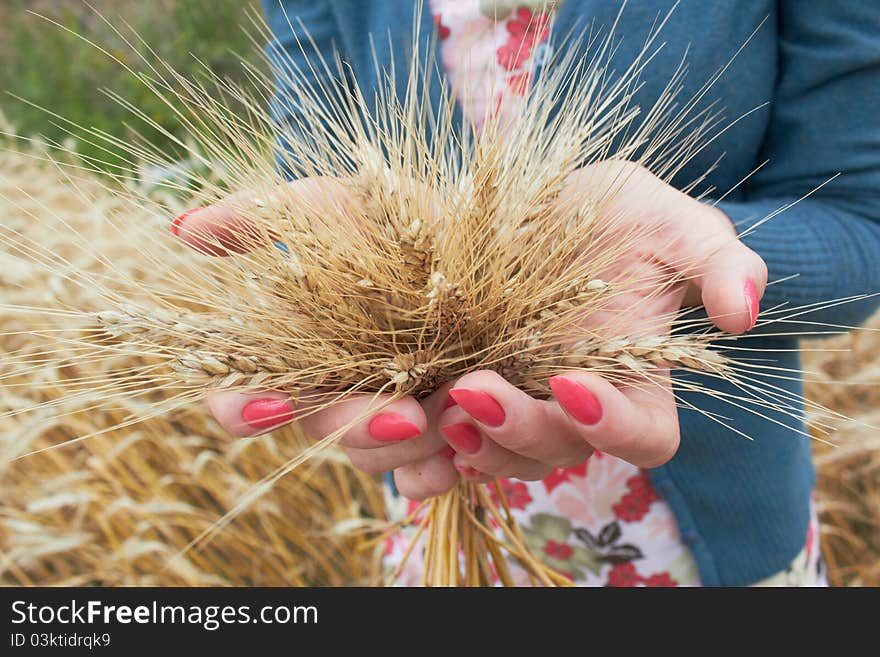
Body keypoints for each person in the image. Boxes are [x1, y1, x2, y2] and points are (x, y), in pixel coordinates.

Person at [170, 1, 880, 586]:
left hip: (718, 552)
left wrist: (690, 258)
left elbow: (859, 222)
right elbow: (311, 201)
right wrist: (333, 279)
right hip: (437, 527)